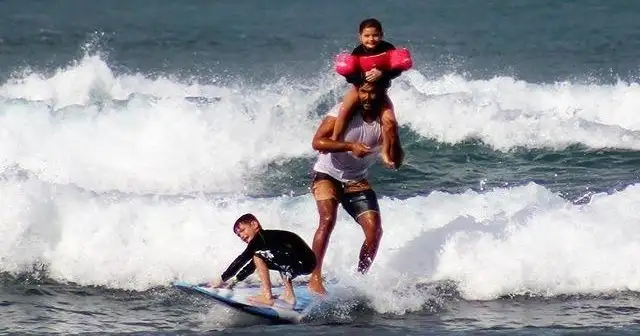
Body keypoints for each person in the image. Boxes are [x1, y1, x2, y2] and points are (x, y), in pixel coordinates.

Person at [307, 81, 404, 295]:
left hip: (356, 181)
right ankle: (314, 278)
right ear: (357, 92)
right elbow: (317, 142)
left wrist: (393, 135)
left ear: (381, 94)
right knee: (327, 220)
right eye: (363, 92)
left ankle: (359, 281)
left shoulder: (384, 122)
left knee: (374, 232)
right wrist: (350, 146)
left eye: (373, 93)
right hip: (326, 175)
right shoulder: (342, 113)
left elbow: (396, 162)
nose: (367, 98)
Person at [332, 18, 412, 169]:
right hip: (359, 90)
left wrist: (382, 73)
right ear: (360, 36)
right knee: (344, 112)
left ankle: (385, 152)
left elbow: (398, 69)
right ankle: (335, 140)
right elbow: (349, 76)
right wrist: (363, 76)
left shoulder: (388, 48)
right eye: (367, 36)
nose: (371, 39)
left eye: (375, 35)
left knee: (390, 121)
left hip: (380, 93)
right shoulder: (357, 52)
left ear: (381, 35)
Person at [208, 213, 316, 307]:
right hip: (307, 262)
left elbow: (242, 259)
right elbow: (251, 266)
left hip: (302, 260)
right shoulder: (266, 241)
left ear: (254, 224)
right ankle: (289, 296)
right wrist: (234, 282)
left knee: (259, 256)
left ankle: (266, 296)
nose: (241, 236)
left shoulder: (259, 238)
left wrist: (222, 279)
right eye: (238, 235)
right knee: (265, 257)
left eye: (242, 230)